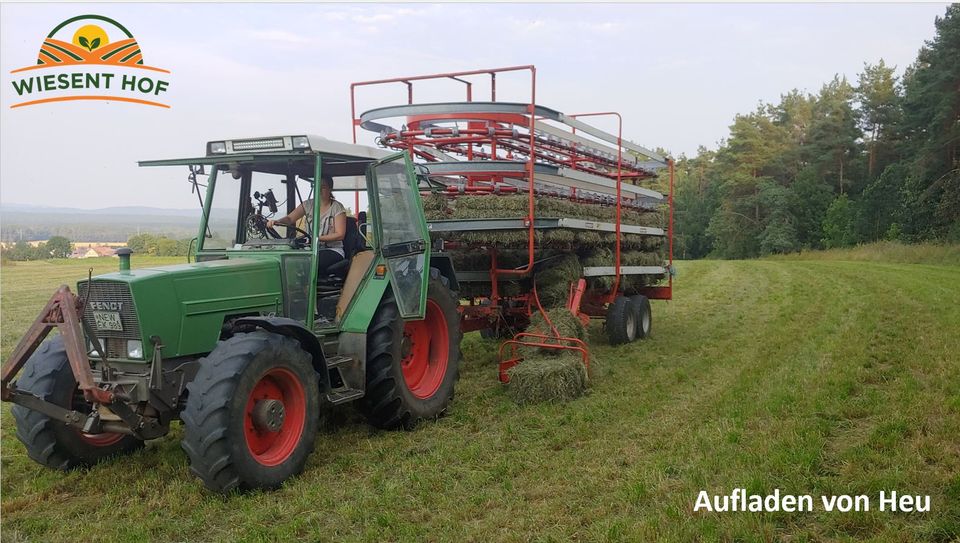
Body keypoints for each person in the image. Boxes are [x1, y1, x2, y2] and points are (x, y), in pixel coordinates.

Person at [267, 175, 346, 276]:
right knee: (288, 259)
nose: (319, 190)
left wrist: (316, 238)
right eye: (317, 187)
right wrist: (276, 222)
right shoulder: (308, 205)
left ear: (330, 189)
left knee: (306, 262)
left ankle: (304, 289)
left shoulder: (337, 207)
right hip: (310, 249)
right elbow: (290, 219)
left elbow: (340, 234)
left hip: (332, 250)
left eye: (323, 187)